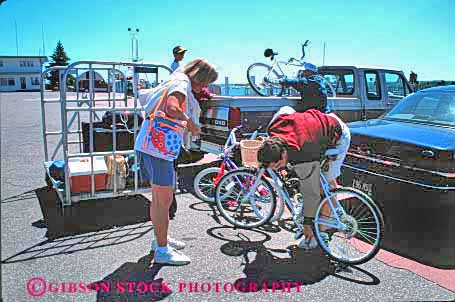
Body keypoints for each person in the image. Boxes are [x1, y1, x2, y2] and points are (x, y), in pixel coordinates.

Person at [135, 58, 218, 265]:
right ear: (200, 77)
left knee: (160, 199)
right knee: (163, 201)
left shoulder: (176, 79)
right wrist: (190, 125)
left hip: (152, 146)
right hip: (158, 150)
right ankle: (162, 251)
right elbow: (172, 108)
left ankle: (159, 240)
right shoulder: (182, 84)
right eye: (206, 82)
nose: (205, 87)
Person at [257, 107, 350, 249]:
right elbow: (285, 109)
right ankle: (335, 208)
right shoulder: (273, 129)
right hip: (318, 127)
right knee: (319, 180)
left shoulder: (302, 155)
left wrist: (307, 223)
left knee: (323, 189)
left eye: (278, 166)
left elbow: (310, 195)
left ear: (283, 154)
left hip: (338, 134)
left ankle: (320, 234)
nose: (278, 169)